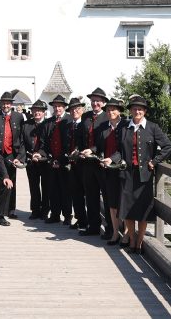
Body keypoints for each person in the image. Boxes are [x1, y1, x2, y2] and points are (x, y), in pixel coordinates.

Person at [120, 95, 171, 254]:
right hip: (127, 174)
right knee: (128, 210)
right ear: (130, 110)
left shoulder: (152, 127)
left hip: (145, 175)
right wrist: (112, 159)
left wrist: (154, 161)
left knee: (143, 210)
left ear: (145, 111)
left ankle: (140, 242)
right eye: (135, 109)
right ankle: (132, 240)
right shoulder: (124, 127)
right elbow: (118, 150)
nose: (137, 111)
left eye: (141, 109)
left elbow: (167, 146)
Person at [96, 97, 127, 245]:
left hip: (122, 170)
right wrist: (94, 153)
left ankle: (126, 234)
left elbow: (124, 150)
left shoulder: (126, 126)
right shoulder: (103, 127)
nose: (110, 112)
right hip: (108, 171)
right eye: (108, 110)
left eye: (113, 109)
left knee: (124, 203)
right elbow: (99, 147)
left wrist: (112, 159)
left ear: (119, 111)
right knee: (112, 204)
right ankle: (115, 233)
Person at [77, 87, 108, 236]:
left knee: (107, 196)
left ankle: (110, 229)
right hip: (87, 163)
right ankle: (94, 226)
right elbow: (81, 137)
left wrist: (93, 150)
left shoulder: (108, 117)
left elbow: (107, 141)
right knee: (90, 196)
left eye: (98, 101)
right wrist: (80, 151)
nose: (95, 103)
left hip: (102, 162)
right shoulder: (86, 116)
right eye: (93, 101)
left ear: (103, 103)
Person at [0, 90, 25, 219]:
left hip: (11, 154)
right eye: (4, 103)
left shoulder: (18, 117)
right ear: (1, 104)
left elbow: (21, 138)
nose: (5, 105)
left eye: (8, 103)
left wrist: (19, 157)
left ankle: (10, 209)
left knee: (11, 181)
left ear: (11, 104)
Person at [42, 94, 71, 224]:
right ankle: (54, 214)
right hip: (51, 161)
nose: (57, 108)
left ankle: (67, 216)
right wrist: (48, 157)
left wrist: (60, 160)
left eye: (60, 106)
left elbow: (70, 143)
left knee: (65, 190)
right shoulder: (48, 122)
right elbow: (44, 143)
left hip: (64, 161)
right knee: (52, 189)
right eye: (55, 106)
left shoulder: (69, 121)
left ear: (64, 107)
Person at [21, 99, 49, 219]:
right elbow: (22, 143)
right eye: (35, 110)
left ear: (44, 112)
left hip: (45, 160)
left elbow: (48, 143)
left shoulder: (49, 124)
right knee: (33, 186)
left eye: (40, 110)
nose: (37, 112)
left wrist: (41, 154)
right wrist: (23, 158)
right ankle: (35, 210)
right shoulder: (26, 125)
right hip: (30, 160)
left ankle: (45, 211)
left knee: (46, 186)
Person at [63, 97, 87, 229]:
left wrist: (79, 152)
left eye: (77, 109)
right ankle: (80, 219)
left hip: (83, 164)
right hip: (71, 164)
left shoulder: (85, 124)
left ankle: (89, 220)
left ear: (82, 110)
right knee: (75, 193)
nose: (74, 111)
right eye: (72, 109)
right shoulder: (68, 126)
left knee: (86, 193)